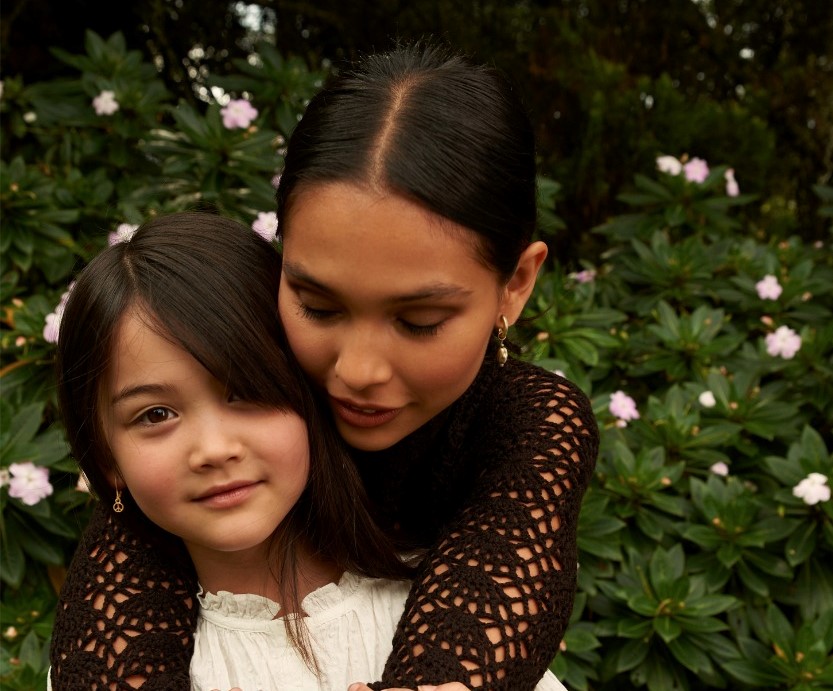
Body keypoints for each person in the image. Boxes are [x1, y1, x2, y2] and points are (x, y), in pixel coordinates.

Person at [49, 43, 599, 691]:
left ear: (516, 283)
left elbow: (493, 592)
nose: (358, 371)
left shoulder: (528, 421)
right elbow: (125, 569)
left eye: (417, 320)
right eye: (316, 304)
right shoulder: (228, 418)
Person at [49, 211, 567, 691]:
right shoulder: (102, 655)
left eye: (246, 391)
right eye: (155, 415)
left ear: (306, 391)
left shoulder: (457, 606)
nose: (213, 449)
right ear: (106, 458)